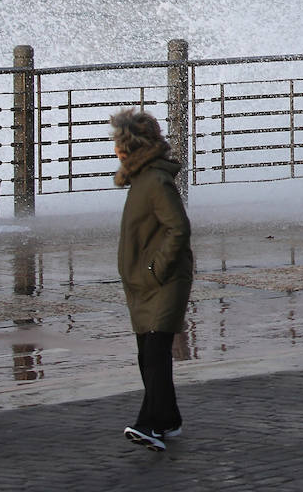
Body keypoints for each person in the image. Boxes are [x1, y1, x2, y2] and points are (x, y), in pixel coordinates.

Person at [111, 107, 194, 451]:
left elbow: (179, 229)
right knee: (148, 352)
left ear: (131, 147)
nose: (114, 150)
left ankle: (150, 425)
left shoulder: (156, 181)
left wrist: (155, 269)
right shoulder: (143, 179)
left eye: (118, 143)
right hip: (145, 284)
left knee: (154, 354)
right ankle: (169, 419)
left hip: (163, 283)